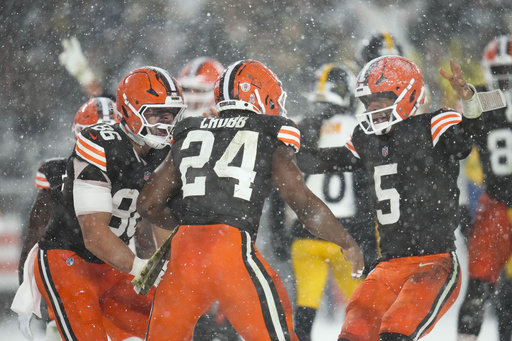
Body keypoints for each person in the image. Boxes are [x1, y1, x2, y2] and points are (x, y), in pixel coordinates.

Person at [136, 59, 364, 341]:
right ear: (260, 95)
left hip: (184, 258)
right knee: (278, 330)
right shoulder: (270, 131)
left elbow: (147, 204)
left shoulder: (190, 130)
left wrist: (191, 222)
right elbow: (303, 204)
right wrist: (346, 242)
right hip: (231, 250)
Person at [299, 56, 484, 341]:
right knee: (354, 333)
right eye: (368, 102)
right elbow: (328, 160)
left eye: (380, 100)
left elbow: (468, 137)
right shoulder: (366, 137)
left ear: (408, 95)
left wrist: (469, 99)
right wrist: (282, 153)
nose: (372, 109)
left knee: (396, 331)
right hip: (388, 266)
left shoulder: (434, 124)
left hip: (434, 262)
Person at [32, 66, 186, 340]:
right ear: (129, 111)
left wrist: (171, 267)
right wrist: (139, 267)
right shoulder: (100, 143)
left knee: (172, 320)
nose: (164, 122)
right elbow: (93, 234)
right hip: (69, 259)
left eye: (170, 114)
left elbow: (161, 218)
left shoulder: (163, 153)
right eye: (155, 113)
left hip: (113, 264)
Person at [284, 63, 378, 341]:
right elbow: (365, 189)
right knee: (361, 311)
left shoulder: (299, 127)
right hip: (345, 235)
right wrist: (366, 240)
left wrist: (281, 232)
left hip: (306, 232)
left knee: (305, 307)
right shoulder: (360, 128)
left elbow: (283, 187)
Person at [457, 35, 512, 341]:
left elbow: (456, 156)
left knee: (480, 289)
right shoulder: (481, 100)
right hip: (495, 206)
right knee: (481, 289)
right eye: (500, 70)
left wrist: (462, 204)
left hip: (494, 208)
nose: (504, 78)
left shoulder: (480, 100)